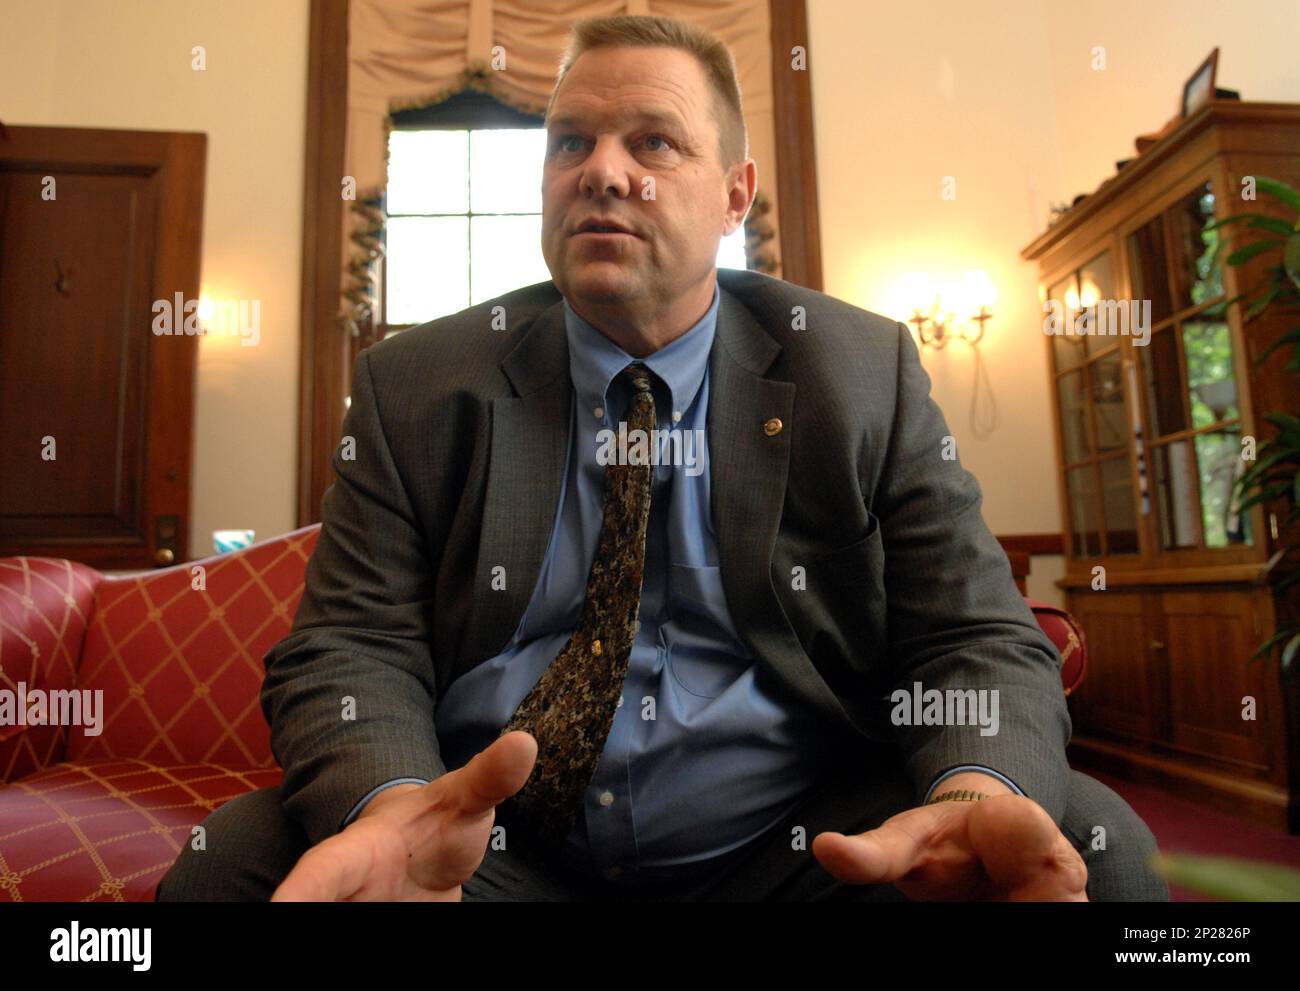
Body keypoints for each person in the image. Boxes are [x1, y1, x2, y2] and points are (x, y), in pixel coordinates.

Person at [158, 13, 1167, 902]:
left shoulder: (859, 370)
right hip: (486, 846)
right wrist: (393, 808)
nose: (601, 169)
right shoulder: (415, 385)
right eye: (569, 143)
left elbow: (974, 636)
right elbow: (348, 647)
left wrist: (969, 794)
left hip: (801, 841)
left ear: (735, 195)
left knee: (1090, 843)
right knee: (235, 863)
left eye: (653, 141)